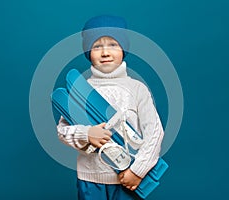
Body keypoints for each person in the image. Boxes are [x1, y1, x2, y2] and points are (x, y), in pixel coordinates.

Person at [57, 15, 164, 200]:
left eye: (113, 44)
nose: (105, 52)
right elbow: (62, 131)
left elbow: (155, 132)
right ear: (88, 52)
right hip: (90, 180)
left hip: (128, 179)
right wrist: (86, 134)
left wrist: (138, 171)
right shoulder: (79, 91)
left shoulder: (137, 89)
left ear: (124, 48)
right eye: (97, 46)